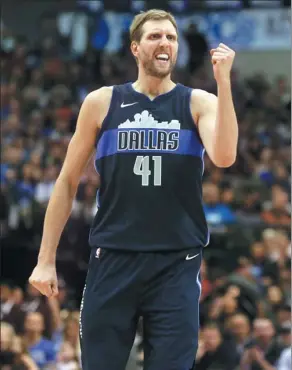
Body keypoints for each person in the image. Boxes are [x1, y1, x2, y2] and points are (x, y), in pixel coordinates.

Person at [29, 9, 238, 370]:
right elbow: (66, 180)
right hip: (113, 257)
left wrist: (223, 83)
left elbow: (224, 156)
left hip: (177, 262)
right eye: (155, 36)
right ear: (135, 48)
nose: (165, 44)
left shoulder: (198, 102)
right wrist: (46, 259)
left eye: (171, 38)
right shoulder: (102, 102)